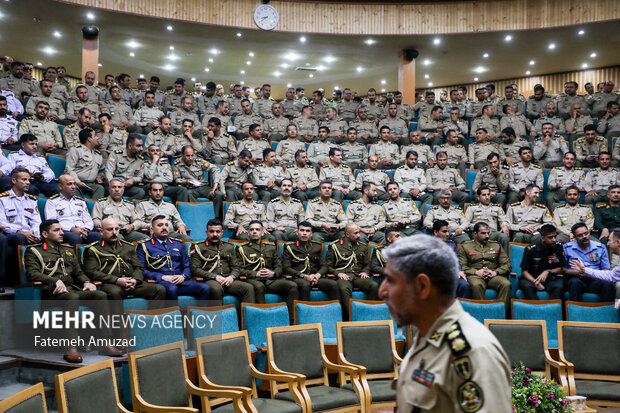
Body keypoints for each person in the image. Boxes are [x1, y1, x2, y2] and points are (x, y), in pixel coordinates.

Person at [378, 234, 511, 413]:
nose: (382, 291)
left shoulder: (472, 351)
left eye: (391, 280)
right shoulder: (427, 336)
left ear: (422, 286)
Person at [24, 219, 124, 362]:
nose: (62, 232)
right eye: (56, 230)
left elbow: (78, 272)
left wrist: (86, 282)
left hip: (72, 290)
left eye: (61, 229)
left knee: (100, 295)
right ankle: (70, 346)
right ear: (45, 233)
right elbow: (32, 273)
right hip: (51, 293)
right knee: (71, 297)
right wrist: (55, 281)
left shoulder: (68, 250)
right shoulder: (33, 251)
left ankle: (105, 343)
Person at [83, 217, 166, 304]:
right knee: (115, 292)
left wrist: (135, 280)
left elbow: (139, 268)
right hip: (112, 284)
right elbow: (91, 272)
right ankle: (118, 318)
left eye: (116, 229)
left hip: (133, 284)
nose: (114, 232)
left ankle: (154, 317)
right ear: (101, 232)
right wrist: (117, 280)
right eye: (110, 229)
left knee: (159, 289)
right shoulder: (93, 249)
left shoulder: (128, 247)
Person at [136, 215, 210, 300]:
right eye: (160, 225)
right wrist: (162, 277)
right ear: (152, 229)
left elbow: (187, 266)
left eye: (166, 225)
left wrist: (183, 276)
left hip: (181, 282)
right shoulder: (145, 246)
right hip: (161, 283)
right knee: (172, 289)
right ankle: (173, 313)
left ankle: (198, 313)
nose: (164, 227)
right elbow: (142, 269)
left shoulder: (177, 244)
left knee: (205, 288)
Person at [235, 220, 298, 319]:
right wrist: (255, 274)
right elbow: (238, 269)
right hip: (252, 280)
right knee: (259, 287)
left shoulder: (271, 247)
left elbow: (279, 266)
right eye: (252, 230)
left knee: (292, 285)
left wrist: (273, 273)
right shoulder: (241, 248)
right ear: (248, 232)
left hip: (270, 280)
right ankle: (262, 319)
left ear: (262, 232)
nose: (254, 232)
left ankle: (291, 319)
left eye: (257, 229)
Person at [189, 218, 255, 303]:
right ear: (207, 232)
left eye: (218, 231)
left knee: (248, 288)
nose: (215, 234)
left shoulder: (229, 247)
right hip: (210, 280)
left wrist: (232, 277)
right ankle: (219, 315)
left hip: (228, 279)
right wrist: (214, 276)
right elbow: (195, 270)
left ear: (222, 232)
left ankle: (248, 315)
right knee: (216, 289)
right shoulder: (198, 247)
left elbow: (236, 267)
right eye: (211, 231)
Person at [326, 223, 379, 318]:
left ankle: (369, 315)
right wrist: (338, 273)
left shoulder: (362, 246)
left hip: (358, 275)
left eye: (359, 233)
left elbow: (367, 264)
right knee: (343, 289)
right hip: (343, 275)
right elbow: (328, 266)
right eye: (356, 233)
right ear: (347, 234)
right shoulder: (335, 246)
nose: (359, 235)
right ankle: (351, 317)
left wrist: (365, 271)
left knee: (373, 285)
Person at [0, 167, 42, 285]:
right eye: (24, 179)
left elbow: (36, 221)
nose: (28, 182)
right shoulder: (3, 199)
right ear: (14, 181)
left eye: (28, 180)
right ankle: (20, 279)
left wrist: (34, 233)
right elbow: (2, 224)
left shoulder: (31, 200)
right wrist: (21, 232)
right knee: (21, 238)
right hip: (10, 234)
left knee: (47, 235)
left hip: (29, 233)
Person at [283, 221, 340, 301]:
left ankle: (335, 311)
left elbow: (324, 266)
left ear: (311, 234)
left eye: (307, 231)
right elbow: (286, 268)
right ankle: (305, 311)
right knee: (305, 284)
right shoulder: (290, 247)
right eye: (302, 230)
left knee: (333, 284)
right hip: (298, 278)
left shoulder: (317, 246)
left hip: (315, 278)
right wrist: (304, 276)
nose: (305, 233)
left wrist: (317, 275)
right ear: (297, 232)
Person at [459, 222, 512, 303]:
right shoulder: (466, 246)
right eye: (483, 233)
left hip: (492, 275)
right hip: (475, 276)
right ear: (475, 234)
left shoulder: (496, 246)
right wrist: (476, 272)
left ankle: (500, 313)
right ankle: (482, 313)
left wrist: (495, 272)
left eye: (488, 233)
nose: (487, 236)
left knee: (506, 284)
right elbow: (462, 266)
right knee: (476, 285)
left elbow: (507, 265)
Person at [43, 175, 102, 247]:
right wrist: (71, 229)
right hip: (64, 231)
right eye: (69, 184)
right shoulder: (52, 201)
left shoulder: (80, 201)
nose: (73, 187)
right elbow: (52, 223)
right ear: (60, 186)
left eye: (74, 184)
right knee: (75, 238)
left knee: (97, 236)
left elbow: (89, 220)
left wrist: (86, 229)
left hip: (83, 231)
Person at [563, 223, 615, 302]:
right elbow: (563, 269)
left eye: (586, 233)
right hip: (576, 278)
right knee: (574, 283)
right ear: (574, 236)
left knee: (607, 284)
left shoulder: (600, 247)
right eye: (580, 235)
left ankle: (605, 311)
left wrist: (589, 272)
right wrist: (579, 272)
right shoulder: (567, 248)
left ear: (589, 232)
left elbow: (606, 270)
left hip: (595, 279)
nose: (584, 237)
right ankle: (576, 312)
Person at [91, 178, 149, 242]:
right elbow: (95, 220)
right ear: (109, 189)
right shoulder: (101, 203)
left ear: (123, 189)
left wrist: (132, 226)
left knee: (146, 239)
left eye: (119, 187)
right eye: (114, 187)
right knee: (120, 241)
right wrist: (108, 226)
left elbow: (137, 221)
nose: (117, 189)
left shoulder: (129, 205)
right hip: (111, 232)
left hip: (127, 232)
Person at [172, 145, 224, 215]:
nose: (190, 158)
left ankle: (215, 217)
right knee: (188, 194)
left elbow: (215, 169)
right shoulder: (177, 163)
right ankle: (196, 215)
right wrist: (185, 181)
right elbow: (176, 179)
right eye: (188, 156)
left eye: (192, 155)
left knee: (219, 194)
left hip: (203, 187)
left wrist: (216, 183)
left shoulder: (198, 161)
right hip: (190, 188)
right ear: (182, 155)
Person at [519, 224, 565, 300]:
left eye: (555, 236)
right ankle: (536, 309)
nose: (554, 239)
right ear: (542, 238)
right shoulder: (530, 249)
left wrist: (547, 271)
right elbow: (524, 272)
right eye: (550, 237)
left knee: (559, 288)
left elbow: (561, 268)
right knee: (527, 287)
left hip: (547, 279)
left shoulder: (558, 247)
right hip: (530, 279)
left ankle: (550, 310)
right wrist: (535, 282)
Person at [432, 220, 471, 298]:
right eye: (444, 232)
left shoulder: (451, 244)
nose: (447, 234)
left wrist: (460, 271)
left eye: (448, 231)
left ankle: (463, 309)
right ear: (436, 232)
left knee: (464, 285)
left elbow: (456, 260)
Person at [64, 128, 106, 200]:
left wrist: (99, 177)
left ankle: (94, 209)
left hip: (89, 184)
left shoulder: (98, 155)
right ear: (89, 139)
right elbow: (69, 169)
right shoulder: (75, 150)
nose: (97, 137)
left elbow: (102, 170)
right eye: (95, 136)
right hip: (74, 182)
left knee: (100, 188)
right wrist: (78, 182)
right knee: (73, 188)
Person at [465, 187, 510, 251]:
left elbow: (503, 220)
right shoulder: (472, 208)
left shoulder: (497, 208)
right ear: (478, 197)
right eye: (484, 195)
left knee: (504, 237)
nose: (487, 197)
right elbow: (466, 222)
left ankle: (504, 259)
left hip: (493, 233)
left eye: (488, 194)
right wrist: (476, 227)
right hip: (478, 232)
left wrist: (504, 226)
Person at [105, 133, 146, 200]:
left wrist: (133, 180)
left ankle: (126, 205)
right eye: (138, 146)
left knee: (140, 192)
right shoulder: (116, 154)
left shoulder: (140, 158)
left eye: (141, 146)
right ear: (130, 146)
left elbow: (140, 177)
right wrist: (115, 184)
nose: (141, 148)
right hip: (114, 185)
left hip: (127, 187)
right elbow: (108, 172)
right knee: (111, 190)